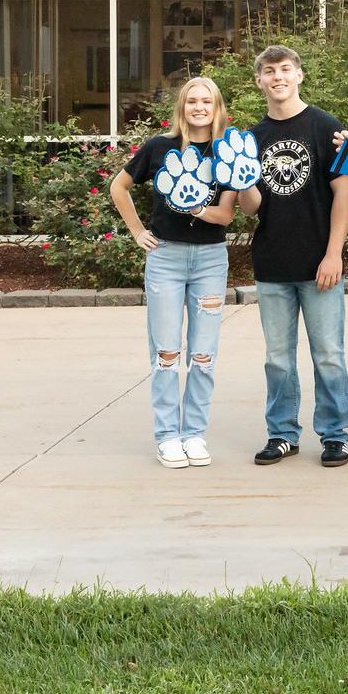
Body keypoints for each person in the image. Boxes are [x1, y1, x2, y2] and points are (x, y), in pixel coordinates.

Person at [108, 75, 241, 470]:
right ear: (181, 108)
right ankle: (167, 436)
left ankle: (194, 434)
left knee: (203, 354)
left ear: (217, 108)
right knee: (166, 352)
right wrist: (137, 232)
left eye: (207, 101)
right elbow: (119, 186)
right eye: (192, 101)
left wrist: (192, 205)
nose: (199, 108)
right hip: (165, 259)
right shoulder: (159, 148)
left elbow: (226, 214)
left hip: (210, 260)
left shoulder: (226, 154)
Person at [238, 45, 348, 467]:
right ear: (259, 81)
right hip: (272, 263)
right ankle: (283, 433)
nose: (278, 77)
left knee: (328, 353)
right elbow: (252, 207)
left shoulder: (324, 126)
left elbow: (344, 192)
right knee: (278, 358)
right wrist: (243, 180)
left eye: (285, 69)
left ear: (299, 75)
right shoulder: (251, 139)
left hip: (319, 264)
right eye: (269, 72)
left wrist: (333, 254)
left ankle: (334, 435)